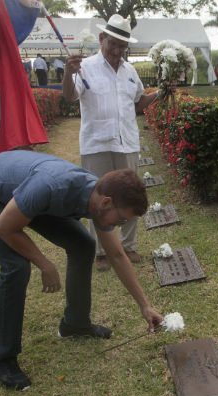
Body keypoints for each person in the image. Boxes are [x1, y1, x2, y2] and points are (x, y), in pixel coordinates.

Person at [0, 150, 163, 391]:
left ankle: (74, 325)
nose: (119, 226)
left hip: (26, 197)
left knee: (83, 244)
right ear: (106, 202)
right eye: (121, 220)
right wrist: (44, 263)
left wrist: (145, 305)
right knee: (16, 266)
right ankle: (2, 359)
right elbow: (5, 228)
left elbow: (117, 255)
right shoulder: (51, 186)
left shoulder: (98, 198)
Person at [62, 14, 160, 271]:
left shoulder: (130, 71)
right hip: (96, 144)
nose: (117, 51)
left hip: (127, 142)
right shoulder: (85, 67)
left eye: (122, 47)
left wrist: (160, 93)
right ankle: (101, 251)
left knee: (131, 196)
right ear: (101, 38)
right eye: (112, 44)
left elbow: (138, 102)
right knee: (98, 198)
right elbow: (70, 96)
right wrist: (67, 73)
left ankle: (128, 247)